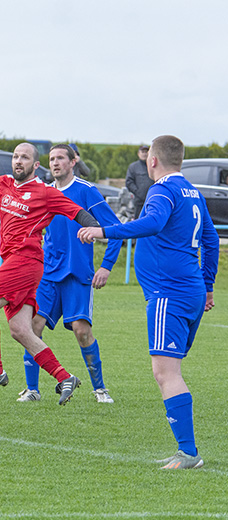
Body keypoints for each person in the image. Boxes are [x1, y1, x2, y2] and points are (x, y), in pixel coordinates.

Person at [78, 135, 218, 470]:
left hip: (168, 294)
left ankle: (188, 453)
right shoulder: (193, 192)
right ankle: (186, 451)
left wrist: (104, 232)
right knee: (170, 369)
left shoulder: (162, 190)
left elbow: (153, 223)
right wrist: (208, 287)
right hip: (191, 290)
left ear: (152, 160)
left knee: (165, 372)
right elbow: (211, 240)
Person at [0, 142, 101, 405]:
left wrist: (94, 230)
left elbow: (78, 213)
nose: (18, 161)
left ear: (36, 165)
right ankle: (64, 377)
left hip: (26, 260)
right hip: (13, 263)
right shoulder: (3, 183)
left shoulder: (45, 192)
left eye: (24, 157)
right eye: (15, 156)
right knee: (20, 330)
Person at [16, 144, 122, 404]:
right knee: (32, 327)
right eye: (51, 159)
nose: (55, 163)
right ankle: (32, 389)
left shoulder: (87, 191)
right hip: (47, 274)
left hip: (77, 274)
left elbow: (115, 228)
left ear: (73, 162)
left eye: (61, 158)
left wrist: (106, 266)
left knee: (81, 331)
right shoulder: (43, 192)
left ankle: (100, 389)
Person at [126, 145, 152, 219]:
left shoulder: (153, 166)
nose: (144, 153)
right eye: (142, 151)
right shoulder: (133, 167)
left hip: (152, 200)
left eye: (146, 151)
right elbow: (129, 182)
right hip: (139, 202)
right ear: (138, 153)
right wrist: (138, 192)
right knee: (139, 222)